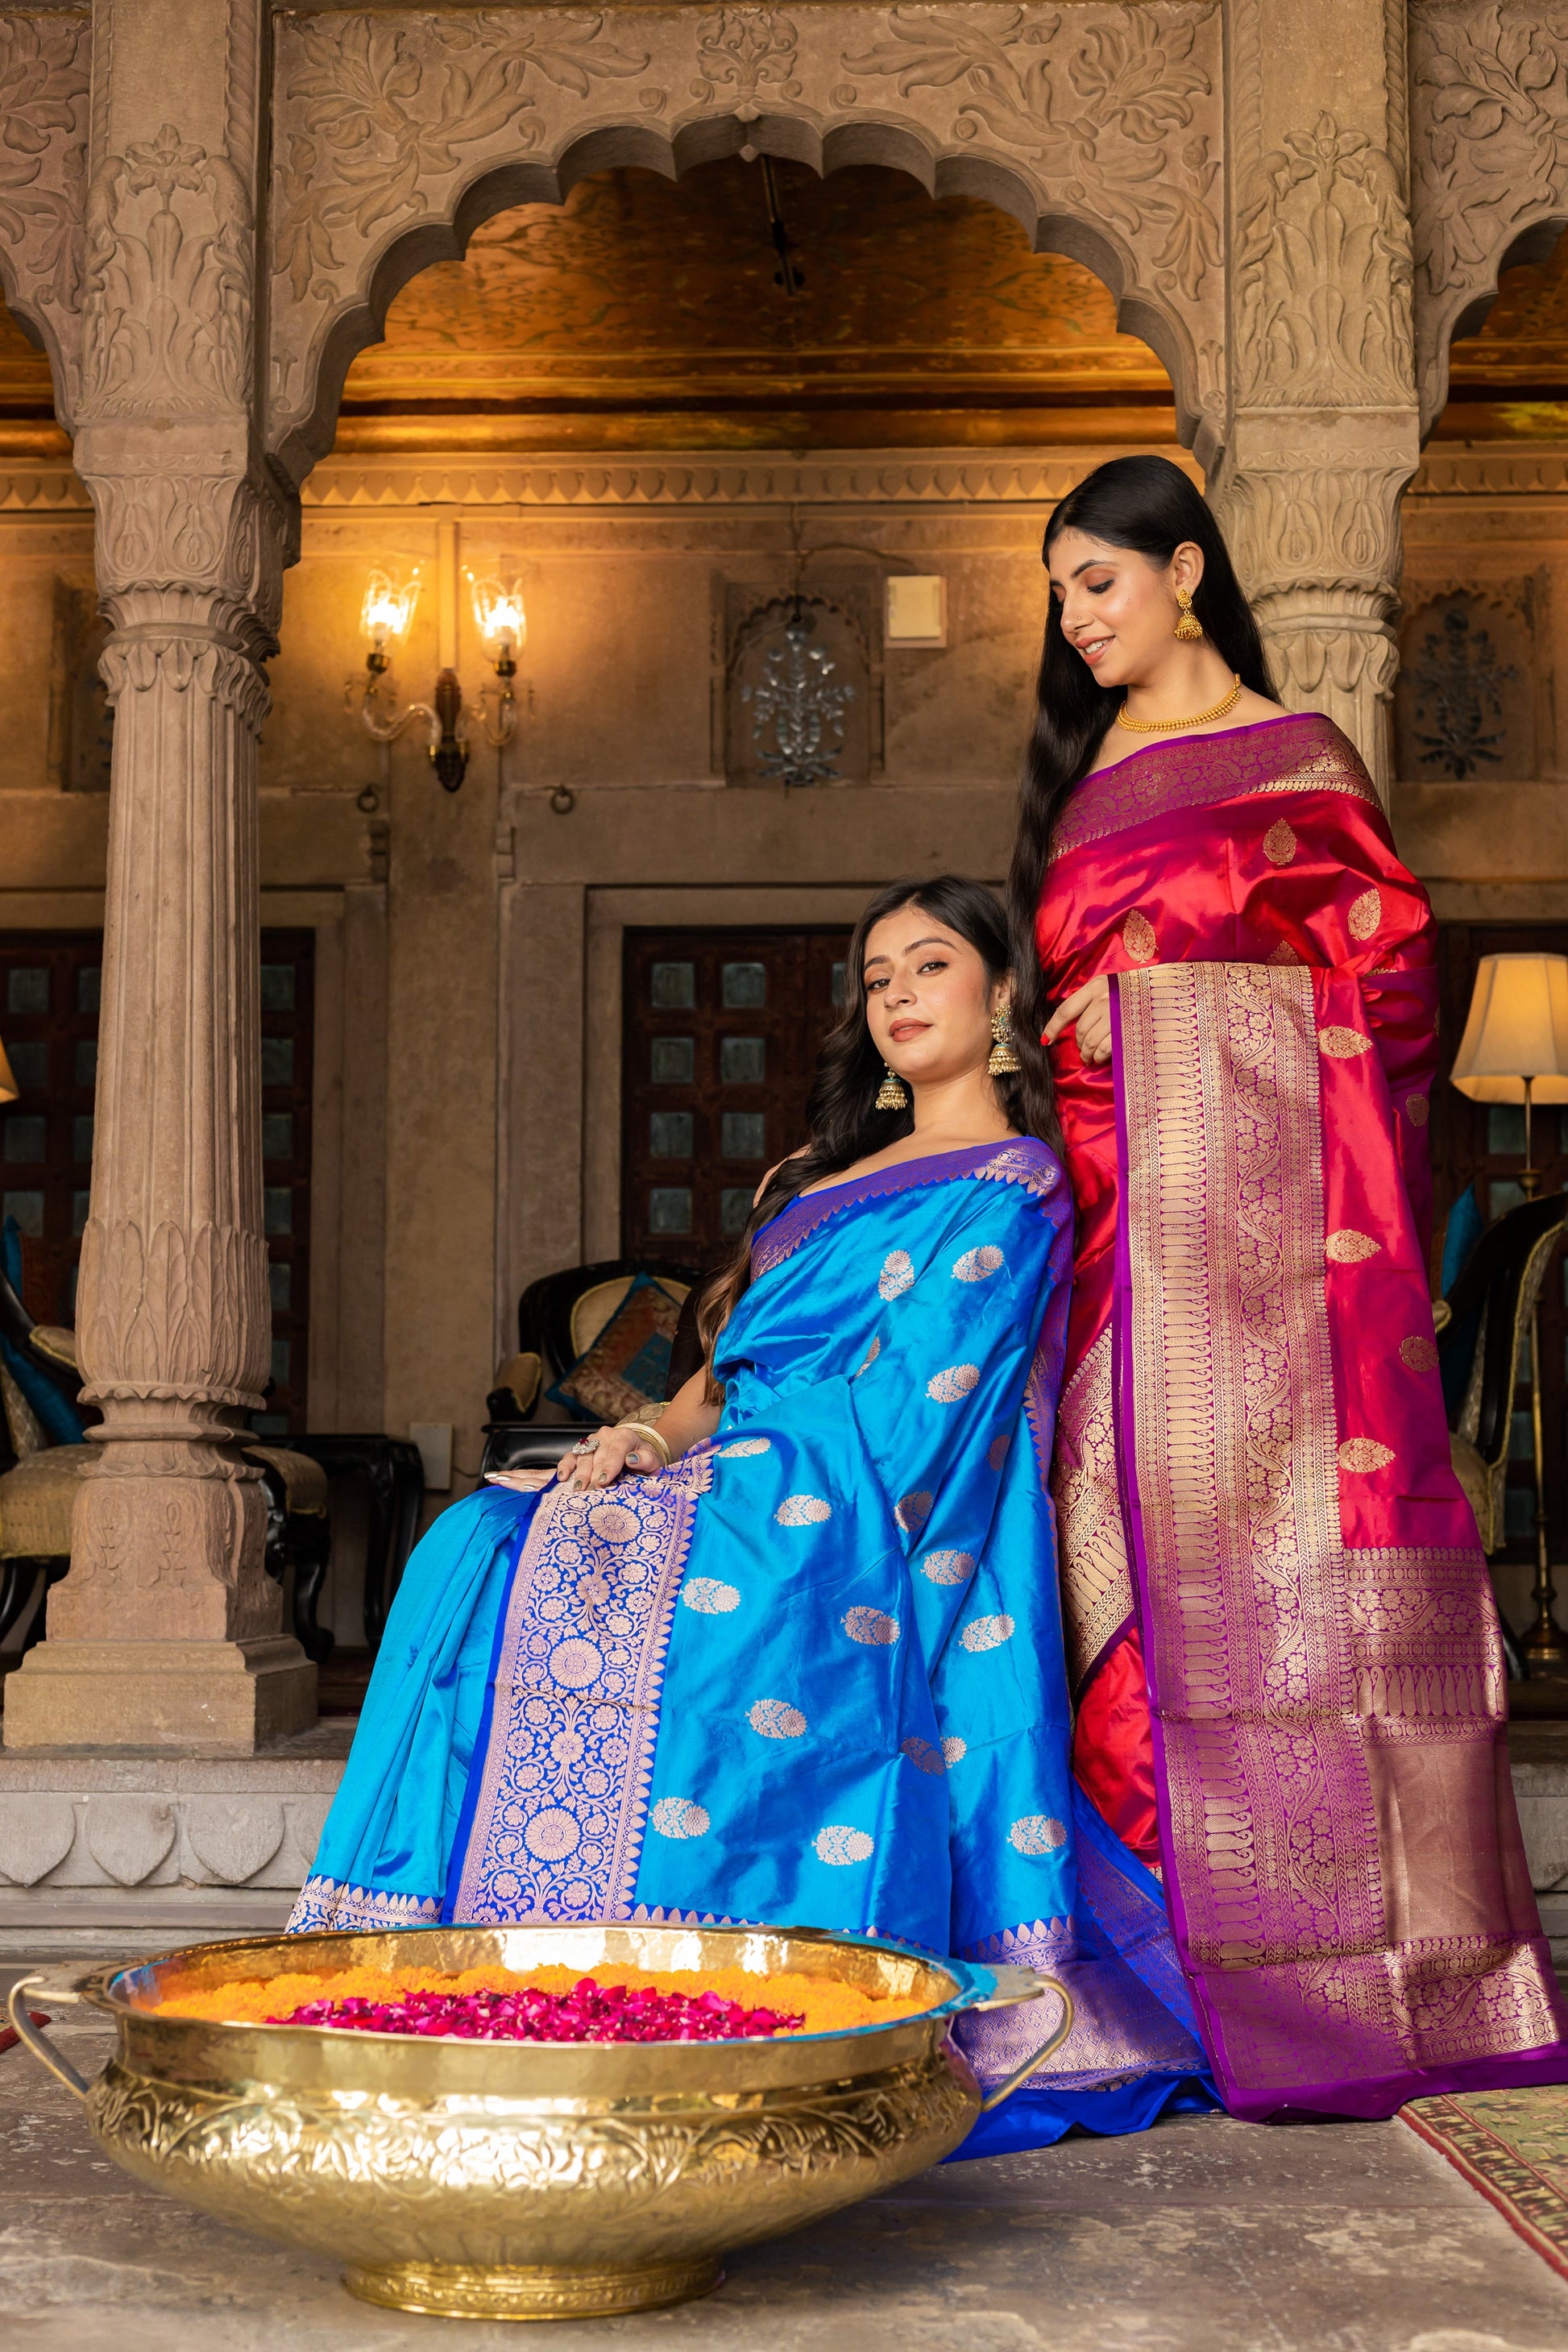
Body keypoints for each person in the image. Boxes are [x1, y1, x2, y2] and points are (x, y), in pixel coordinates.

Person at [290, 875, 1214, 2154]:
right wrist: (640, 1439)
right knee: (476, 1538)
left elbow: (927, 1405)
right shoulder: (816, 1176)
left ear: (1001, 991)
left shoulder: (1014, 1185)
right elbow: (717, 1377)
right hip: (737, 1469)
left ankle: (640, 1967)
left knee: (544, 1559)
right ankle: (472, 1961)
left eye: (928, 966)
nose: (895, 996)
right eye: (876, 977)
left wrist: (745, 1475)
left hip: (850, 1512)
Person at [1015, 451, 1568, 2122]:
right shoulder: (1080, 782)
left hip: (1276, 1256)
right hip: (1112, 1245)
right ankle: (1168, 1972)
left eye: (1095, 581)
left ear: (1184, 569)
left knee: (1316, 1579)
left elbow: (1384, 1008)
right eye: (1058, 595)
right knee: (1114, 1563)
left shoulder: (1298, 762)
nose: (1074, 619)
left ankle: (1352, 1980)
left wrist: (1164, 1024)